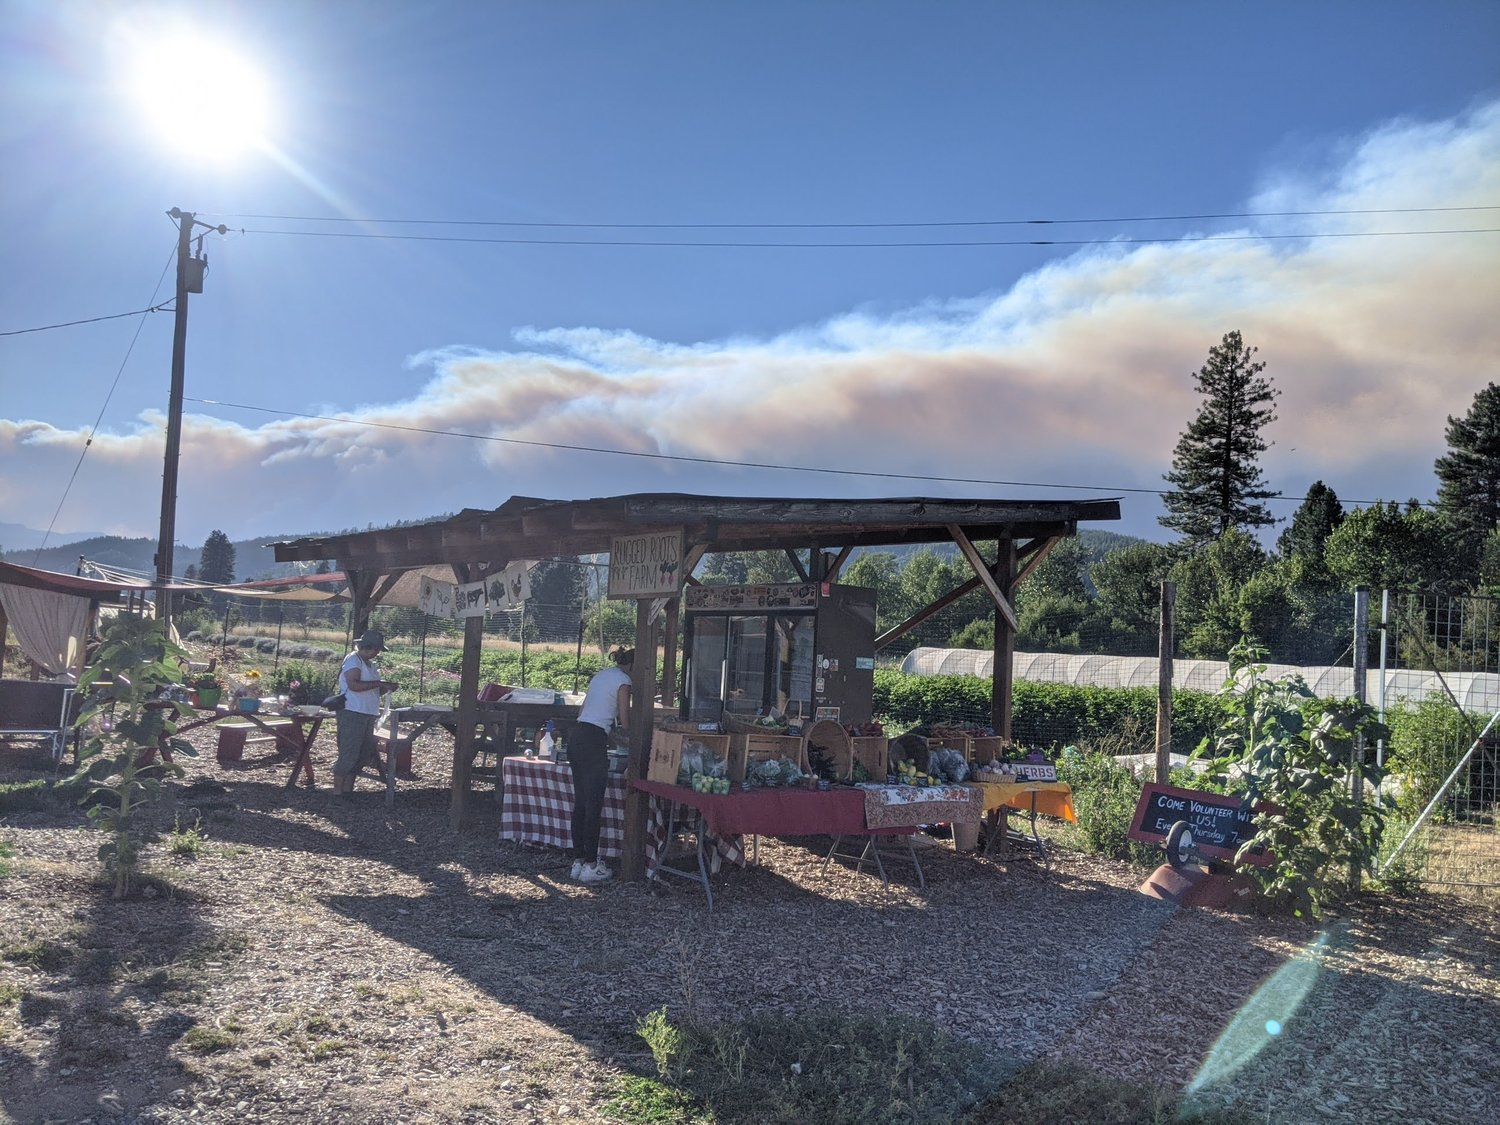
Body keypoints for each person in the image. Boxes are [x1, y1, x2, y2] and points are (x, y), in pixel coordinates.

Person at [569, 646, 634, 883]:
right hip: (593, 742)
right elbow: (625, 722)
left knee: (581, 802)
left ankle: (577, 861)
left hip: (577, 736)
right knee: (594, 805)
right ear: (633, 667)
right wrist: (633, 738)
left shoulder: (602, 675)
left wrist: (609, 734)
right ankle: (591, 864)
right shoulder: (624, 681)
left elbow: (587, 712)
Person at [334, 628, 395, 795]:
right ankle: (337, 791)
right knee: (349, 752)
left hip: (368, 713)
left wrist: (386, 688)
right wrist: (379, 684)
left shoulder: (371, 665)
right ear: (366, 647)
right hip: (352, 711)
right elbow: (354, 685)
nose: (376, 653)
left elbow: (372, 690)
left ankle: (348, 789)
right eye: (375, 649)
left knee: (363, 753)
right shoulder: (353, 660)